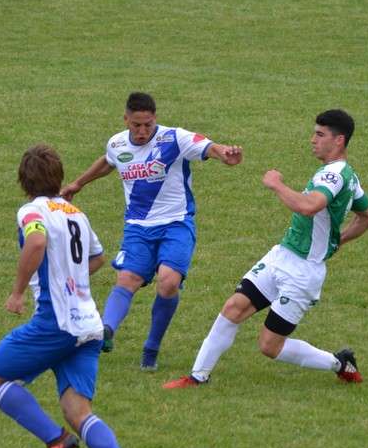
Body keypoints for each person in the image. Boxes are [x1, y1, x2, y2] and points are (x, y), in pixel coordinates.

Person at [162, 109, 368, 389]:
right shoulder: (348, 176)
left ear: (339, 140)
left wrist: (276, 185)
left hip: (303, 272)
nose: (313, 139)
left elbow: (309, 206)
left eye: (320, 135)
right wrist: (340, 240)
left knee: (270, 346)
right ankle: (197, 377)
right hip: (281, 256)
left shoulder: (334, 175)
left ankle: (340, 363)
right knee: (233, 307)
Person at [0, 144, 143, 448]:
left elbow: (36, 240)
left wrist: (17, 293)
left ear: (23, 180)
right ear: (58, 178)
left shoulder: (31, 211)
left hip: (56, 323)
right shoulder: (75, 213)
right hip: (89, 326)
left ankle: (55, 441)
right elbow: (97, 258)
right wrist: (71, 279)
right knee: (78, 412)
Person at [60, 92, 243, 372]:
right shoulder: (117, 143)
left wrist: (224, 154)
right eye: (136, 125)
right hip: (137, 227)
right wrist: (78, 183)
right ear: (126, 120)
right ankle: (105, 330)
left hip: (176, 224)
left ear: (156, 118)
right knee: (127, 278)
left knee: (168, 283)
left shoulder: (175, 138)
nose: (142, 131)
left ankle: (151, 349)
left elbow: (208, 147)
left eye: (148, 124)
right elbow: (108, 161)